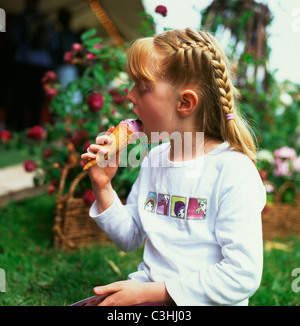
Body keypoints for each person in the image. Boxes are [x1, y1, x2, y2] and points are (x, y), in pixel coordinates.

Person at [81, 28, 266, 306]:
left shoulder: (232, 171)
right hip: (147, 296)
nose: (130, 95)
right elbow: (130, 236)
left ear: (185, 103)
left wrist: (144, 293)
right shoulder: (155, 159)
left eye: (143, 87)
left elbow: (242, 276)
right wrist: (103, 185)